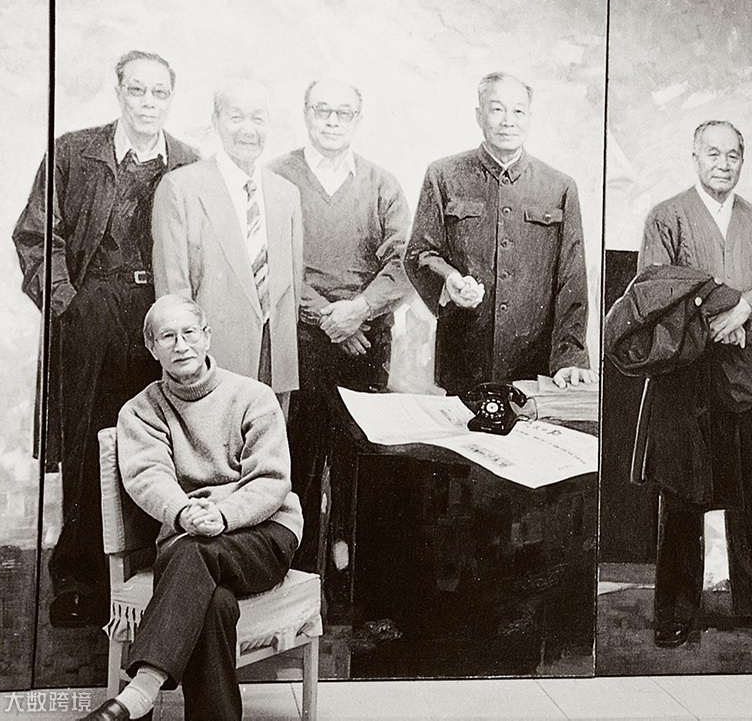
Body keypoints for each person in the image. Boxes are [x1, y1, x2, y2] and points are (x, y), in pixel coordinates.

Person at [12, 50, 198, 627]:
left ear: (171, 98)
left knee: (157, 440)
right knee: (87, 445)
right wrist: (69, 305)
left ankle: (150, 575)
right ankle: (78, 580)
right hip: (91, 310)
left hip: (158, 313)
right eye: (136, 90)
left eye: (159, 92)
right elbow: (36, 236)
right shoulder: (74, 152)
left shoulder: (189, 163)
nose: (147, 103)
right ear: (119, 91)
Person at [79, 294, 303, 721]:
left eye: (189, 333)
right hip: (190, 534)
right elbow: (148, 477)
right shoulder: (141, 411)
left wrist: (222, 515)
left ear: (207, 336)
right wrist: (184, 513)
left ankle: (140, 691)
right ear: (152, 347)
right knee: (214, 603)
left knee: (193, 552)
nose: (180, 345)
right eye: (167, 337)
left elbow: (271, 480)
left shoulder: (253, 397)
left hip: (263, 536)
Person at [637, 121, 752, 648]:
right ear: (695, 157)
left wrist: (746, 308)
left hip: (743, 376)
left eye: (733, 155)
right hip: (685, 375)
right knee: (682, 494)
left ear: (742, 161)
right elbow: (654, 288)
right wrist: (718, 314)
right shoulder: (666, 217)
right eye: (713, 154)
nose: (723, 164)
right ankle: (675, 611)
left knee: (747, 495)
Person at [269, 78, 411, 571]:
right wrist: (327, 317)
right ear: (306, 113)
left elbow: (403, 263)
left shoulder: (382, 184)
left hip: (367, 341)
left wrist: (359, 311)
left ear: (358, 119)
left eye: (343, 113)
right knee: (298, 455)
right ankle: (297, 566)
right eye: (322, 110)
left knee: (359, 455)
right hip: (299, 338)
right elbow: (270, 260)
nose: (332, 121)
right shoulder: (277, 177)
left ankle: (348, 569)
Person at [404, 71, 595, 394]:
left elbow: (572, 277)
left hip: (534, 365)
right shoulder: (444, 175)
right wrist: (449, 280)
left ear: (530, 117)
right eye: (497, 109)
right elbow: (419, 254)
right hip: (463, 361)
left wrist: (570, 355)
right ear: (479, 115)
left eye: (518, 111)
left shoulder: (560, 187)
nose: (508, 121)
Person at [152, 79, 303, 401]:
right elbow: (173, 293)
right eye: (236, 117)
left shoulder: (286, 194)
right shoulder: (181, 188)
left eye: (258, 118)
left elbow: (292, 288)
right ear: (216, 122)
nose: (248, 130)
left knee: (270, 434)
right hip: (212, 361)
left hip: (275, 361)